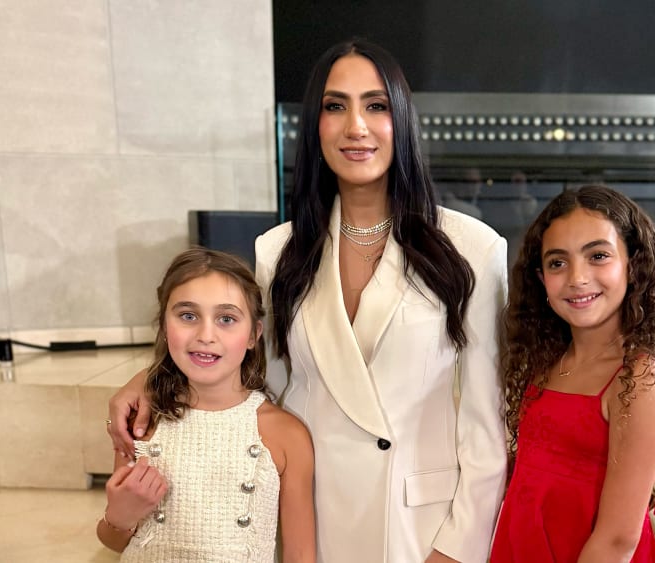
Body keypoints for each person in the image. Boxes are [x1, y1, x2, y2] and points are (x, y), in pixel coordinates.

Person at [108, 39, 508, 563]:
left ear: (402, 120)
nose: (356, 126)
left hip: (420, 528)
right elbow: (252, 372)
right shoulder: (278, 250)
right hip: (315, 520)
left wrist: (457, 549)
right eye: (335, 106)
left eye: (376, 105)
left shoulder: (473, 248)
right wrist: (151, 377)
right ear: (314, 126)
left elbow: (486, 423)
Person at [489, 185, 655, 563]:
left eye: (598, 255)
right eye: (557, 262)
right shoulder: (547, 361)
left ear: (633, 264)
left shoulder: (639, 377)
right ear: (540, 278)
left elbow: (618, 539)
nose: (577, 278)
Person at [98, 248, 316, 562]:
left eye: (226, 319)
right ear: (163, 324)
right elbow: (114, 540)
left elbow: (300, 555)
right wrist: (120, 516)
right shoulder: (143, 423)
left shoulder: (285, 435)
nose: (205, 335)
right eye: (188, 316)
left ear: (254, 334)